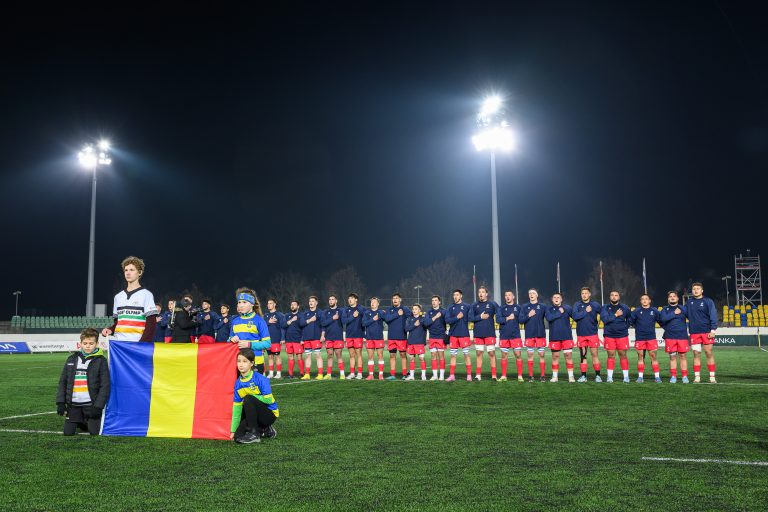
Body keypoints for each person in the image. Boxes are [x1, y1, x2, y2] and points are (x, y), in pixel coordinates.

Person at [56, 328, 110, 436]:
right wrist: (60, 402)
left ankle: (87, 420)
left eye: (91, 343)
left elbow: (105, 385)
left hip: (91, 405)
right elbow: (63, 382)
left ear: (96, 344)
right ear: (80, 343)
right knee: (68, 433)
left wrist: (98, 407)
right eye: (85, 343)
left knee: (94, 432)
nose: (88, 346)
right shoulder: (71, 359)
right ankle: (81, 420)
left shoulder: (101, 361)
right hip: (73, 405)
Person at [101, 256, 158, 342]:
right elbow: (118, 322)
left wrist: (142, 344)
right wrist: (110, 329)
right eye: (126, 270)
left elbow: (151, 324)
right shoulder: (118, 297)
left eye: (132, 270)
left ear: (140, 272)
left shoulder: (147, 295)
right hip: (119, 343)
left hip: (136, 343)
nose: (128, 273)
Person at [231, 348, 278, 444]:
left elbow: (269, 400)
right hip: (253, 414)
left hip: (269, 415)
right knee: (237, 437)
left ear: (251, 363)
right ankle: (265, 430)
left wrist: (252, 396)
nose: (241, 364)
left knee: (248, 398)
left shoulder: (260, 379)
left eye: (245, 361)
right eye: (239, 361)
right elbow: (237, 409)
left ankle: (255, 434)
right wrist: (233, 430)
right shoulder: (238, 384)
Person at [229, 288, 271, 373]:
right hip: (239, 362)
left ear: (252, 304)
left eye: (244, 302)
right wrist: (231, 339)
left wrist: (249, 344)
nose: (241, 305)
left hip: (255, 361)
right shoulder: (235, 321)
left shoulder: (259, 321)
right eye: (239, 302)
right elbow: (229, 339)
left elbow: (267, 343)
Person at [687, 283, 718, 383]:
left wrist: (713, 330)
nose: (696, 290)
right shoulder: (689, 302)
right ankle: (697, 377)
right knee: (696, 354)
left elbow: (713, 315)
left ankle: (712, 377)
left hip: (707, 332)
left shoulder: (708, 301)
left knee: (708, 352)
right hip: (694, 332)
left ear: (702, 291)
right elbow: (684, 314)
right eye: (694, 289)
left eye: (698, 288)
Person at [571, 287, 602, 382]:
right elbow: (575, 316)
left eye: (586, 293)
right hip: (581, 334)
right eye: (582, 293)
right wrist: (585, 311)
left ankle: (598, 376)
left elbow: (603, 314)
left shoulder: (595, 305)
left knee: (594, 355)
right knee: (583, 356)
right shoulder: (577, 304)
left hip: (592, 334)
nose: (584, 295)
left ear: (589, 294)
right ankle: (583, 376)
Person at [469, 286, 500, 381]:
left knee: (491, 353)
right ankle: (478, 375)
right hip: (478, 333)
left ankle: (494, 375)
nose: (481, 294)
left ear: (486, 294)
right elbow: (470, 318)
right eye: (479, 292)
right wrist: (480, 317)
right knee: (479, 353)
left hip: (490, 333)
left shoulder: (493, 304)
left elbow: (500, 314)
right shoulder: (474, 305)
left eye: (483, 292)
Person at [630, 294, 662, 383]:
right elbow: (631, 322)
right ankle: (640, 377)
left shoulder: (654, 311)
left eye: (646, 299)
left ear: (649, 301)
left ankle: (657, 377)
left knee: (653, 357)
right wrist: (638, 327)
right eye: (642, 299)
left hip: (651, 337)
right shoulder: (636, 311)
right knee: (640, 357)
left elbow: (660, 321)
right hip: (640, 338)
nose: (644, 300)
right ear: (640, 301)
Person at [659, 291, 690, 384]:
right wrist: (674, 313)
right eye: (670, 296)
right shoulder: (665, 309)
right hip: (670, 337)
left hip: (682, 336)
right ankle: (673, 376)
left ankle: (684, 376)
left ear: (677, 298)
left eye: (674, 296)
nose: (672, 298)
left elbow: (691, 317)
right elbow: (663, 319)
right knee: (672, 357)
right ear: (668, 298)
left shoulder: (683, 308)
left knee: (683, 356)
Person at [601, 291, 631, 383]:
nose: (614, 297)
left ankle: (626, 377)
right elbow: (605, 320)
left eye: (616, 295)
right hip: (609, 335)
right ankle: (609, 377)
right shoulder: (605, 307)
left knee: (623, 355)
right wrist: (615, 315)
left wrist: (624, 327)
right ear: (609, 297)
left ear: (619, 297)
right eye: (612, 295)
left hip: (622, 335)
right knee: (611, 355)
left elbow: (630, 319)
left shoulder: (625, 307)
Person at [545, 293, 575, 383]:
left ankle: (571, 376)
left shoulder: (567, 308)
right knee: (555, 356)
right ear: (552, 299)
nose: (556, 299)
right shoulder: (549, 309)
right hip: (554, 336)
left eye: (558, 297)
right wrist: (559, 312)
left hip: (567, 336)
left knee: (568, 356)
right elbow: (549, 318)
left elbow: (575, 316)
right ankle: (555, 377)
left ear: (561, 299)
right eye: (554, 297)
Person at [519, 289, 547, 382]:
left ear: (537, 295)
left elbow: (548, 317)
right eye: (530, 293)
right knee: (530, 354)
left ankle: (542, 376)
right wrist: (529, 315)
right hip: (529, 334)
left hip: (540, 334)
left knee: (541, 354)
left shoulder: (542, 306)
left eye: (533, 293)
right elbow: (521, 320)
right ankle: (531, 376)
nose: (531, 295)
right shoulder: (524, 307)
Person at [445, 289, 472, 382]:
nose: (455, 296)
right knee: (453, 355)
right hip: (453, 334)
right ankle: (452, 375)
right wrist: (457, 317)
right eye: (454, 295)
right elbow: (447, 320)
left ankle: (469, 375)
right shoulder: (450, 307)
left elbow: (471, 318)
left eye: (457, 295)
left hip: (464, 334)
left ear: (461, 296)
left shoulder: (467, 306)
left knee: (466, 354)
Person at [383, 293, 412, 380]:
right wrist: (397, 314)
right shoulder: (389, 309)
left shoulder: (405, 309)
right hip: (391, 337)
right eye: (393, 298)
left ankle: (405, 374)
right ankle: (392, 375)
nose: (395, 300)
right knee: (392, 355)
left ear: (400, 300)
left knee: (403, 355)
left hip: (401, 336)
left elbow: (411, 317)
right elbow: (387, 319)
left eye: (396, 298)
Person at [496, 290, 523, 382]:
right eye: (506, 295)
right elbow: (498, 320)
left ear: (513, 297)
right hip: (504, 335)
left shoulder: (518, 308)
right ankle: (504, 376)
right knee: (504, 355)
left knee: (518, 355)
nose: (507, 297)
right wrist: (508, 318)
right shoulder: (501, 308)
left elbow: (521, 320)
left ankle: (520, 376)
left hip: (515, 335)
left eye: (509, 295)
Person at [422, 295, 447, 380]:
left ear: (439, 302)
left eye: (435, 300)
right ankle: (435, 375)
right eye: (432, 300)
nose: (434, 302)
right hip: (432, 336)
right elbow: (426, 323)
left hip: (441, 336)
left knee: (441, 356)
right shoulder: (429, 312)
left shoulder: (444, 311)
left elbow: (448, 321)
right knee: (433, 355)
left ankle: (442, 375)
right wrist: (435, 317)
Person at [299, 296, 324, 380]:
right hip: (307, 338)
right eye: (310, 301)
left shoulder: (320, 313)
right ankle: (307, 374)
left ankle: (320, 374)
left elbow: (323, 325)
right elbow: (301, 324)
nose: (311, 302)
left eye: (313, 301)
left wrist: (322, 335)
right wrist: (310, 320)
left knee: (318, 355)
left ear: (316, 303)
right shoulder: (305, 313)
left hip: (316, 337)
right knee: (307, 356)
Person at [320, 295, 345, 380]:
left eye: (332, 299)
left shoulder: (341, 311)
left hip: (338, 337)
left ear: (336, 301)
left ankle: (342, 374)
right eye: (329, 299)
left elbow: (344, 321)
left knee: (338, 355)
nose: (331, 301)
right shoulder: (325, 312)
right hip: (329, 337)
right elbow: (323, 324)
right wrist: (332, 318)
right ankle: (328, 374)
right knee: (329, 355)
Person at [342, 293, 366, 379]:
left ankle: (359, 373)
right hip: (349, 335)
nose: (350, 300)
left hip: (358, 335)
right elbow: (343, 321)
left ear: (356, 299)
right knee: (351, 355)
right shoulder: (346, 310)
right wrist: (353, 316)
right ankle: (352, 373)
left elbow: (368, 316)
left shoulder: (361, 309)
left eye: (352, 298)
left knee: (358, 354)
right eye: (349, 298)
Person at [362, 297, 386, 380]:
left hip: (379, 337)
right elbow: (363, 323)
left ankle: (380, 375)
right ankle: (371, 375)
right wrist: (372, 319)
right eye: (371, 302)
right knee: (370, 356)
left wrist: (385, 314)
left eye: (374, 302)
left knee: (380, 355)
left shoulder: (381, 313)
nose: (372, 303)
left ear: (378, 304)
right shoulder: (366, 313)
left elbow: (387, 319)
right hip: (369, 338)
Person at [281, 300, 304, 379]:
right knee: (290, 357)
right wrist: (283, 338)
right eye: (291, 304)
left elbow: (303, 328)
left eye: (294, 304)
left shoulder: (301, 315)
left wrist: (302, 339)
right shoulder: (287, 315)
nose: (292, 306)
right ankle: (290, 374)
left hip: (297, 340)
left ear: (298, 306)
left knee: (299, 357)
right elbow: (283, 326)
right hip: (288, 340)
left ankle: (302, 373)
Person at [404, 304, 428, 380]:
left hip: (420, 342)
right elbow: (406, 329)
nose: (414, 310)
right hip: (411, 342)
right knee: (411, 359)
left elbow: (427, 325)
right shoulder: (409, 319)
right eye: (413, 309)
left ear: (419, 310)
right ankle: (412, 376)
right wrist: (414, 325)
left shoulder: (423, 319)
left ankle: (423, 375)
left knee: (421, 358)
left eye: (416, 309)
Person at [264, 299, 285, 379]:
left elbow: (283, 327)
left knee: (277, 356)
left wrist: (282, 338)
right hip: (268, 340)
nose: (269, 305)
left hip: (276, 339)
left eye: (271, 303)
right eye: (268, 303)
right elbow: (263, 327)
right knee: (270, 356)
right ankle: (271, 373)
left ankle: (278, 373)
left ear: (275, 304)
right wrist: (268, 322)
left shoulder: (280, 315)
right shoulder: (266, 316)